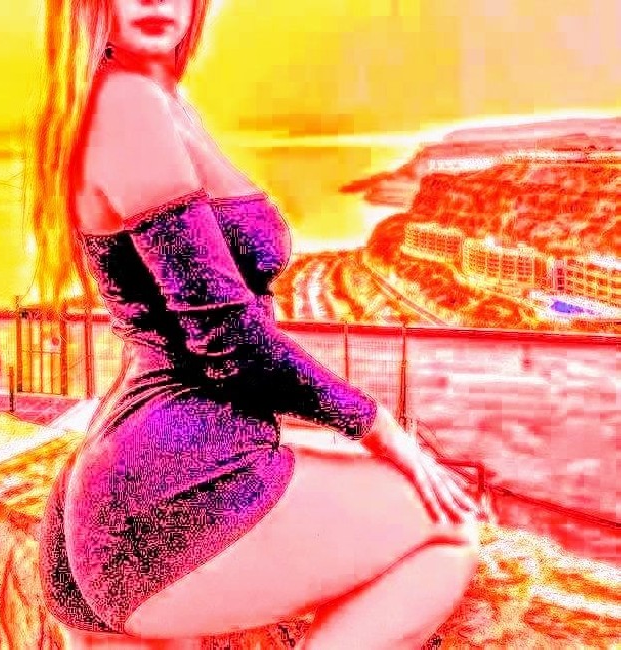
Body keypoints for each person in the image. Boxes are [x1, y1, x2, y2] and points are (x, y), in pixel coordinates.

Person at [31, 1, 483, 647]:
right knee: (451, 529)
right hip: (171, 496)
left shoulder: (157, 101)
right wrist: (381, 428)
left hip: (136, 483)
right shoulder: (128, 103)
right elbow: (229, 340)